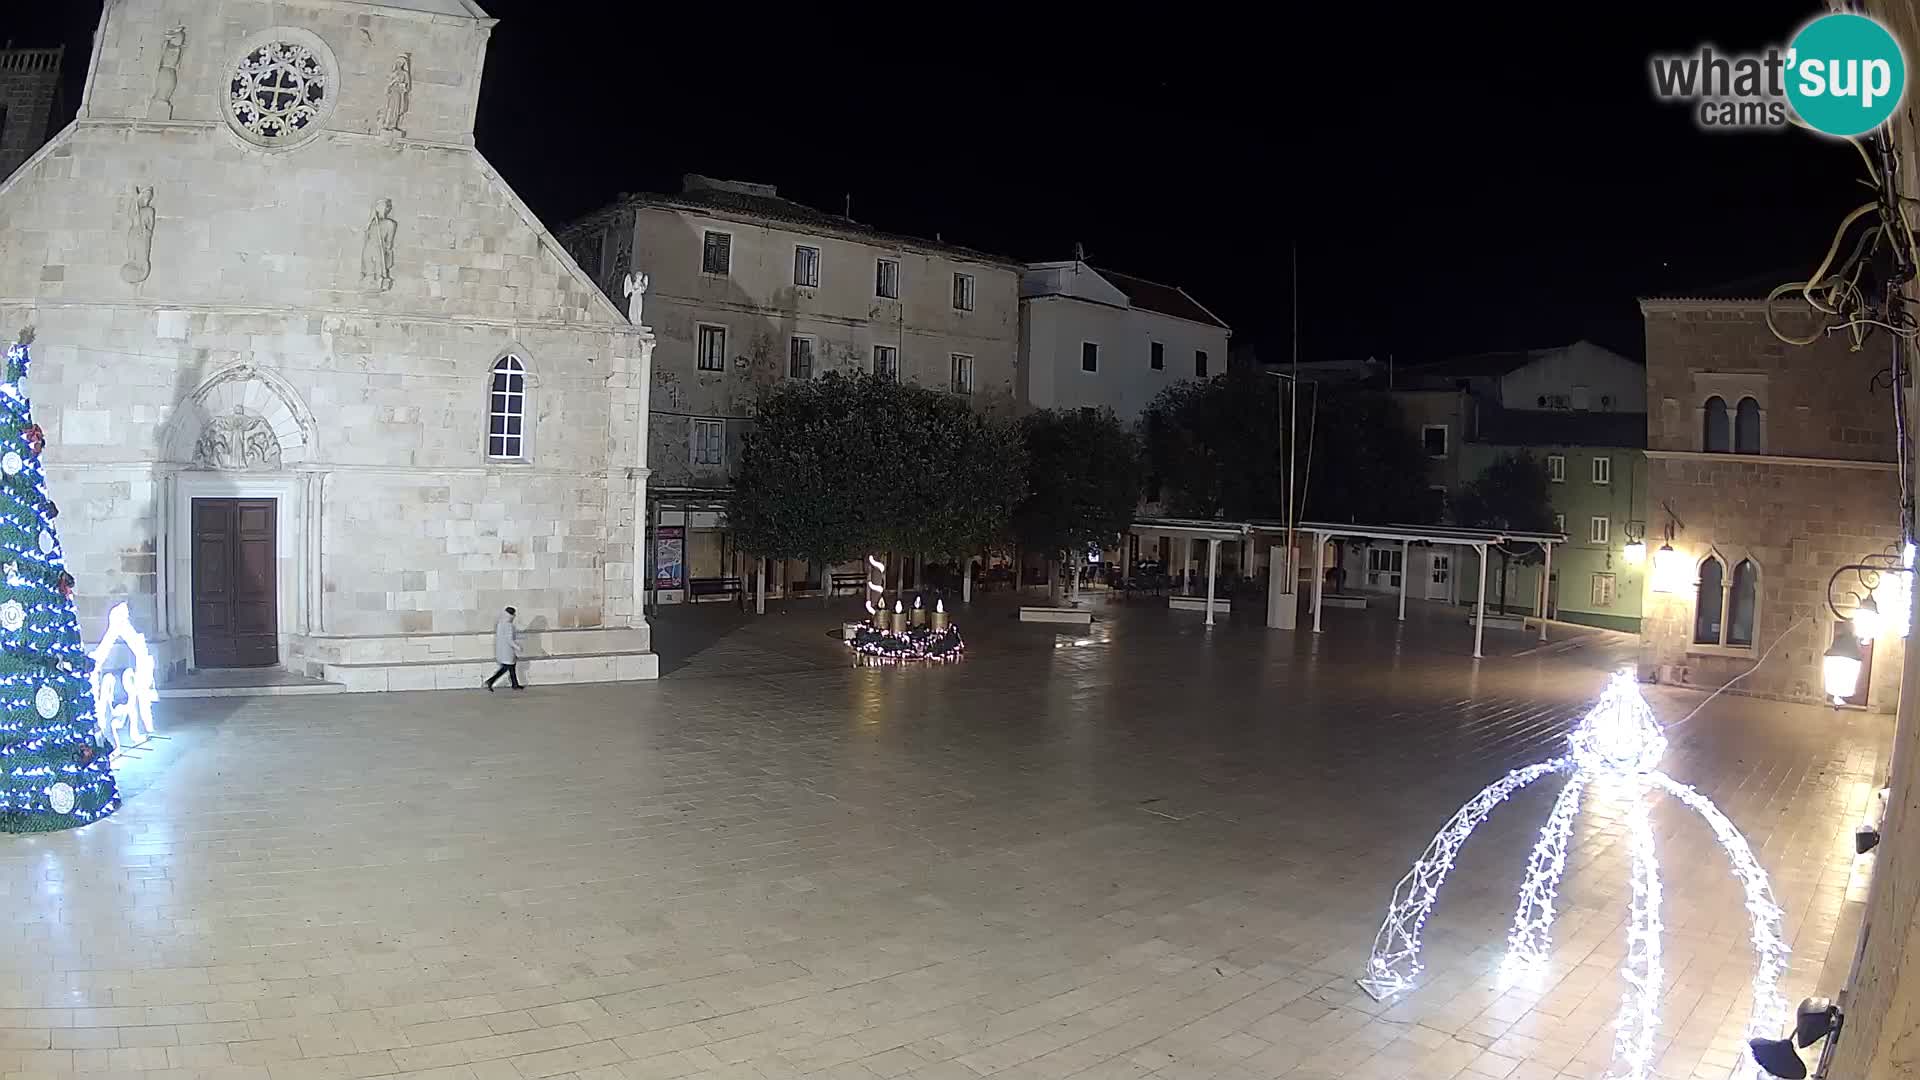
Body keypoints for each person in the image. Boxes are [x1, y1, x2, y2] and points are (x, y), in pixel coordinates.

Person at [485, 606, 523, 691]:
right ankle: (490, 681)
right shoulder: (509, 626)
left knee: (511, 667)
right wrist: (518, 647)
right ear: (512, 615)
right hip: (508, 651)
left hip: (502, 650)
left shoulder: (500, 624)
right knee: (506, 668)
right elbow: (509, 640)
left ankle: (515, 684)